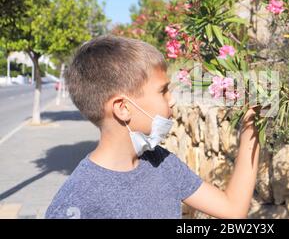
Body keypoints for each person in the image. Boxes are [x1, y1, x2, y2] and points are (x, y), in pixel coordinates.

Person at [45, 35, 260, 219]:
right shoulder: (75, 203)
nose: (172, 100)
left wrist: (251, 120)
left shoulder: (160, 162)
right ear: (122, 108)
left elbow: (232, 209)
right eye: (163, 91)